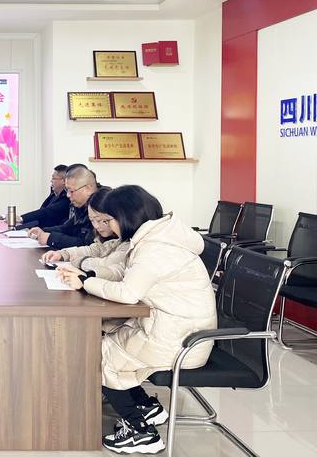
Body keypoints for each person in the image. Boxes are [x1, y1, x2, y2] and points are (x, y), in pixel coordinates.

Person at [56, 185, 216, 454]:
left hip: (181, 341)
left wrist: (85, 283)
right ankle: (144, 405)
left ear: (125, 216)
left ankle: (141, 432)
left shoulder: (156, 248)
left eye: (110, 219)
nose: (108, 225)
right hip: (176, 330)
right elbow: (126, 272)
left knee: (97, 356)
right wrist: (87, 275)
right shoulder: (158, 237)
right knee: (106, 339)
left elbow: (128, 293)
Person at [40, 187, 127, 281]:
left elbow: (107, 264)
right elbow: (94, 249)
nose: (96, 226)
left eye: (100, 220)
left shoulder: (127, 241)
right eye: (92, 220)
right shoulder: (108, 237)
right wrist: (64, 254)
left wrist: (79, 261)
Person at [29, 166, 99, 249]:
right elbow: (66, 228)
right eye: (67, 190)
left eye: (71, 191)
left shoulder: (101, 206)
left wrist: (51, 238)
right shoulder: (81, 205)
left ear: (88, 188)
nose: (68, 195)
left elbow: (87, 245)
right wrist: (43, 231)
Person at [21, 164, 70, 228]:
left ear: (64, 181)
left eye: (53, 178)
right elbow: (41, 211)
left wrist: (21, 218)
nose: (51, 181)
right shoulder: (53, 195)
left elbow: (46, 212)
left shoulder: (66, 199)